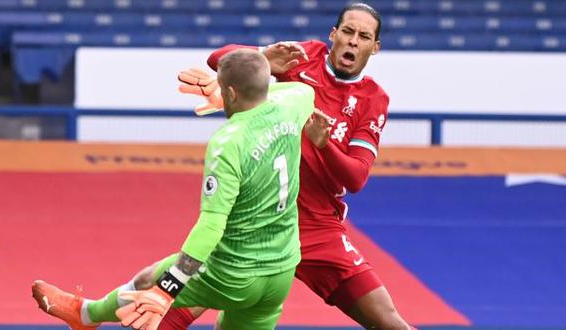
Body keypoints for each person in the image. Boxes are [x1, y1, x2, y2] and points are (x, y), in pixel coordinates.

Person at [166, 3, 417, 330]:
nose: (353, 41)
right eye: (348, 31)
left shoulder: (373, 98)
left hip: (318, 227)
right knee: (176, 306)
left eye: (364, 36)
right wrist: (262, 57)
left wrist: (323, 144)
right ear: (333, 34)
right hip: (259, 217)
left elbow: (355, 177)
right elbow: (219, 59)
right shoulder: (304, 56)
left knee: (389, 322)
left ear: (375, 47)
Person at [31, 49, 317, 330]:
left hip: (233, 273)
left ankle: (84, 316)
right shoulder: (295, 103)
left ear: (229, 93)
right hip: (281, 271)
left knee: (146, 281)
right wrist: (254, 73)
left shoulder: (229, 142)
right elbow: (297, 91)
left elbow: (211, 226)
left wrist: (168, 288)